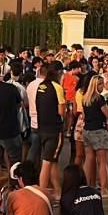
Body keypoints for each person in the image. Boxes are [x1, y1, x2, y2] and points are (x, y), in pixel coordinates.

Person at [34, 67, 68, 196]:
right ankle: (41, 192)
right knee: (47, 162)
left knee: (53, 160)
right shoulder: (57, 87)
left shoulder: (40, 86)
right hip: (54, 129)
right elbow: (61, 111)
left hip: (42, 127)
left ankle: (57, 190)